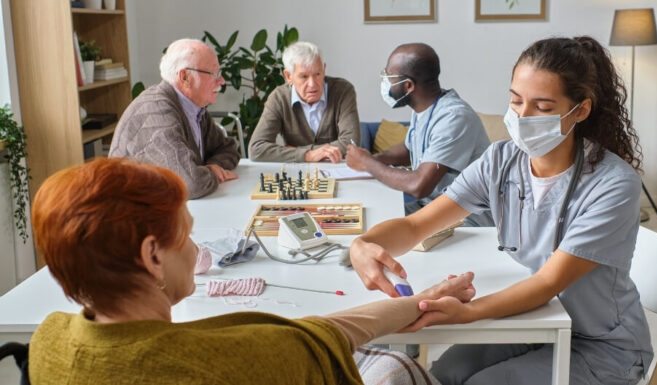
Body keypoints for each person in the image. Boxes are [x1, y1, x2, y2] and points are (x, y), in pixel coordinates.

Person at [349, 36, 653, 385]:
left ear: (580, 110)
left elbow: (548, 281)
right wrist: (364, 244)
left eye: (541, 107)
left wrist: (465, 313)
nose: (522, 117)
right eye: (515, 101)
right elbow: (416, 226)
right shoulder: (501, 161)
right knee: (443, 374)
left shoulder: (613, 184)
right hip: (534, 320)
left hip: (600, 345)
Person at [28, 157, 475, 385]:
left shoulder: (47, 341)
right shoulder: (227, 362)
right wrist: (427, 296)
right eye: (184, 236)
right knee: (396, 367)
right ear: (152, 256)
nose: (196, 248)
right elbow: (321, 337)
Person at [346, 43, 492, 226]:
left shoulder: (454, 118)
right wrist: (374, 158)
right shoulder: (423, 108)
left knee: (377, 231)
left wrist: (367, 163)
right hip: (432, 208)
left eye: (388, 76)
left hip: (465, 219)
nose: (385, 81)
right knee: (368, 220)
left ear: (408, 86)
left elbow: (419, 186)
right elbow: (409, 149)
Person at [109, 38, 239, 199]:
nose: (222, 80)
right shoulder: (156, 111)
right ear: (184, 77)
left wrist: (213, 166)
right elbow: (190, 184)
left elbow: (229, 149)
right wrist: (209, 172)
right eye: (214, 74)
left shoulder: (194, 108)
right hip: (129, 216)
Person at [248, 41, 360, 163]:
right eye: (304, 76)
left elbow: (351, 144)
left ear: (324, 69)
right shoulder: (279, 98)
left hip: (337, 170)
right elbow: (256, 149)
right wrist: (308, 155)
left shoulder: (343, 91)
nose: (312, 84)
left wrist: (295, 150)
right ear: (288, 76)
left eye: (317, 74)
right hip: (298, 174)